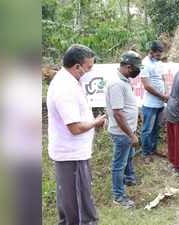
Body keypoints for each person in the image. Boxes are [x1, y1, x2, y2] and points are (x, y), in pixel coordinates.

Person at [47, 44, 106, 225]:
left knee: (71, 202)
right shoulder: (65, 88)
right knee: (80, 206)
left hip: (72, 152)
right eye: (88, 67)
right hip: (71, 154)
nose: (89, 71)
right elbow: (75, 128)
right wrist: (96, 122)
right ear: (77, 66)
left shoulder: (68, 81)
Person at [105, 51, 142, 208]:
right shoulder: (116, 84)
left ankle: (129, 179)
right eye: (136, 68)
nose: (137, 71)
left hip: (127, 130)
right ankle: (118, 197)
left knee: (128, 157)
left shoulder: (124, 80)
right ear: (128, 67)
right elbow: (118, 114)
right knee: (119, 164)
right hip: (122, 133)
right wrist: (130, 135)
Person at [140, 41, 168, 164]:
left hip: (160, 104)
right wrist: (162, 96)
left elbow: (163, 79)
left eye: (160, 55)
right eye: (157, 55)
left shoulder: (159, 62)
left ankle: (153, 149)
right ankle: (145, 153)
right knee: (147, 130)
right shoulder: (144, 64)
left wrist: (166, 92)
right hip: (150, 104)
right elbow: (147, 86)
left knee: (156, 128)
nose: (159, 57)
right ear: (151, 51)